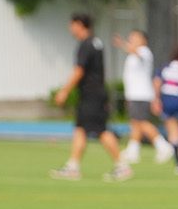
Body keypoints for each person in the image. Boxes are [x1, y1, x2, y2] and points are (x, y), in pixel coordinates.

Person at [51, 13, 129, 182]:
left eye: (72, 25)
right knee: (80, 128)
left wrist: (65, 91)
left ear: (80, 24)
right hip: (93, 94)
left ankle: (122, 166)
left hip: (92, 95)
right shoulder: (96, 42)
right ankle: (73, 167)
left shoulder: (86, 44)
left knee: (101, 130)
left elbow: (79, 70)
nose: (70, 29)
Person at [114, 28, 165, 165]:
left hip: (142, 94)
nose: (132, 40)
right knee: (135, 123)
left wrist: (122, 44)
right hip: (133, 94)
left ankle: (163, 146)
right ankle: (133, 151)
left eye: (135, 37)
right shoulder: (132, 55)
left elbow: (134, 51)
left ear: (143, 40)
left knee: (141, 123)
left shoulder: (144, 51)